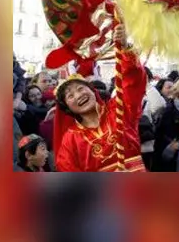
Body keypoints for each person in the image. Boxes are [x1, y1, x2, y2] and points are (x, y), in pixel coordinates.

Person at [53, 24, 148, 172]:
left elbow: (134, 82)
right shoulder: (70, 140)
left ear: (93, 91)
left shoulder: (119, 110)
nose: (78, 95)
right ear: (67, 107)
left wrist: (124, 47)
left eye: (81, 88)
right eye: (70, 96)